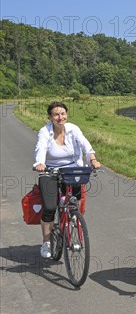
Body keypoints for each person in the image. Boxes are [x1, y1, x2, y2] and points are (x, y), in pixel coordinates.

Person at [33, 101, 102, 258]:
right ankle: (46, 242)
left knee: (73, 204)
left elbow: (85, 144)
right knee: (50, 207)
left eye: (63, 113)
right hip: (49, 170)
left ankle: (70, 223)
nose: (60, 117)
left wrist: (92, 159)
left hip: (71, 170)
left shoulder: (73, 129)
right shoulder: (45, 131)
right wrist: (40, 163)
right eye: (56, 114)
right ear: (50, 117)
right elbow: (41, 147)